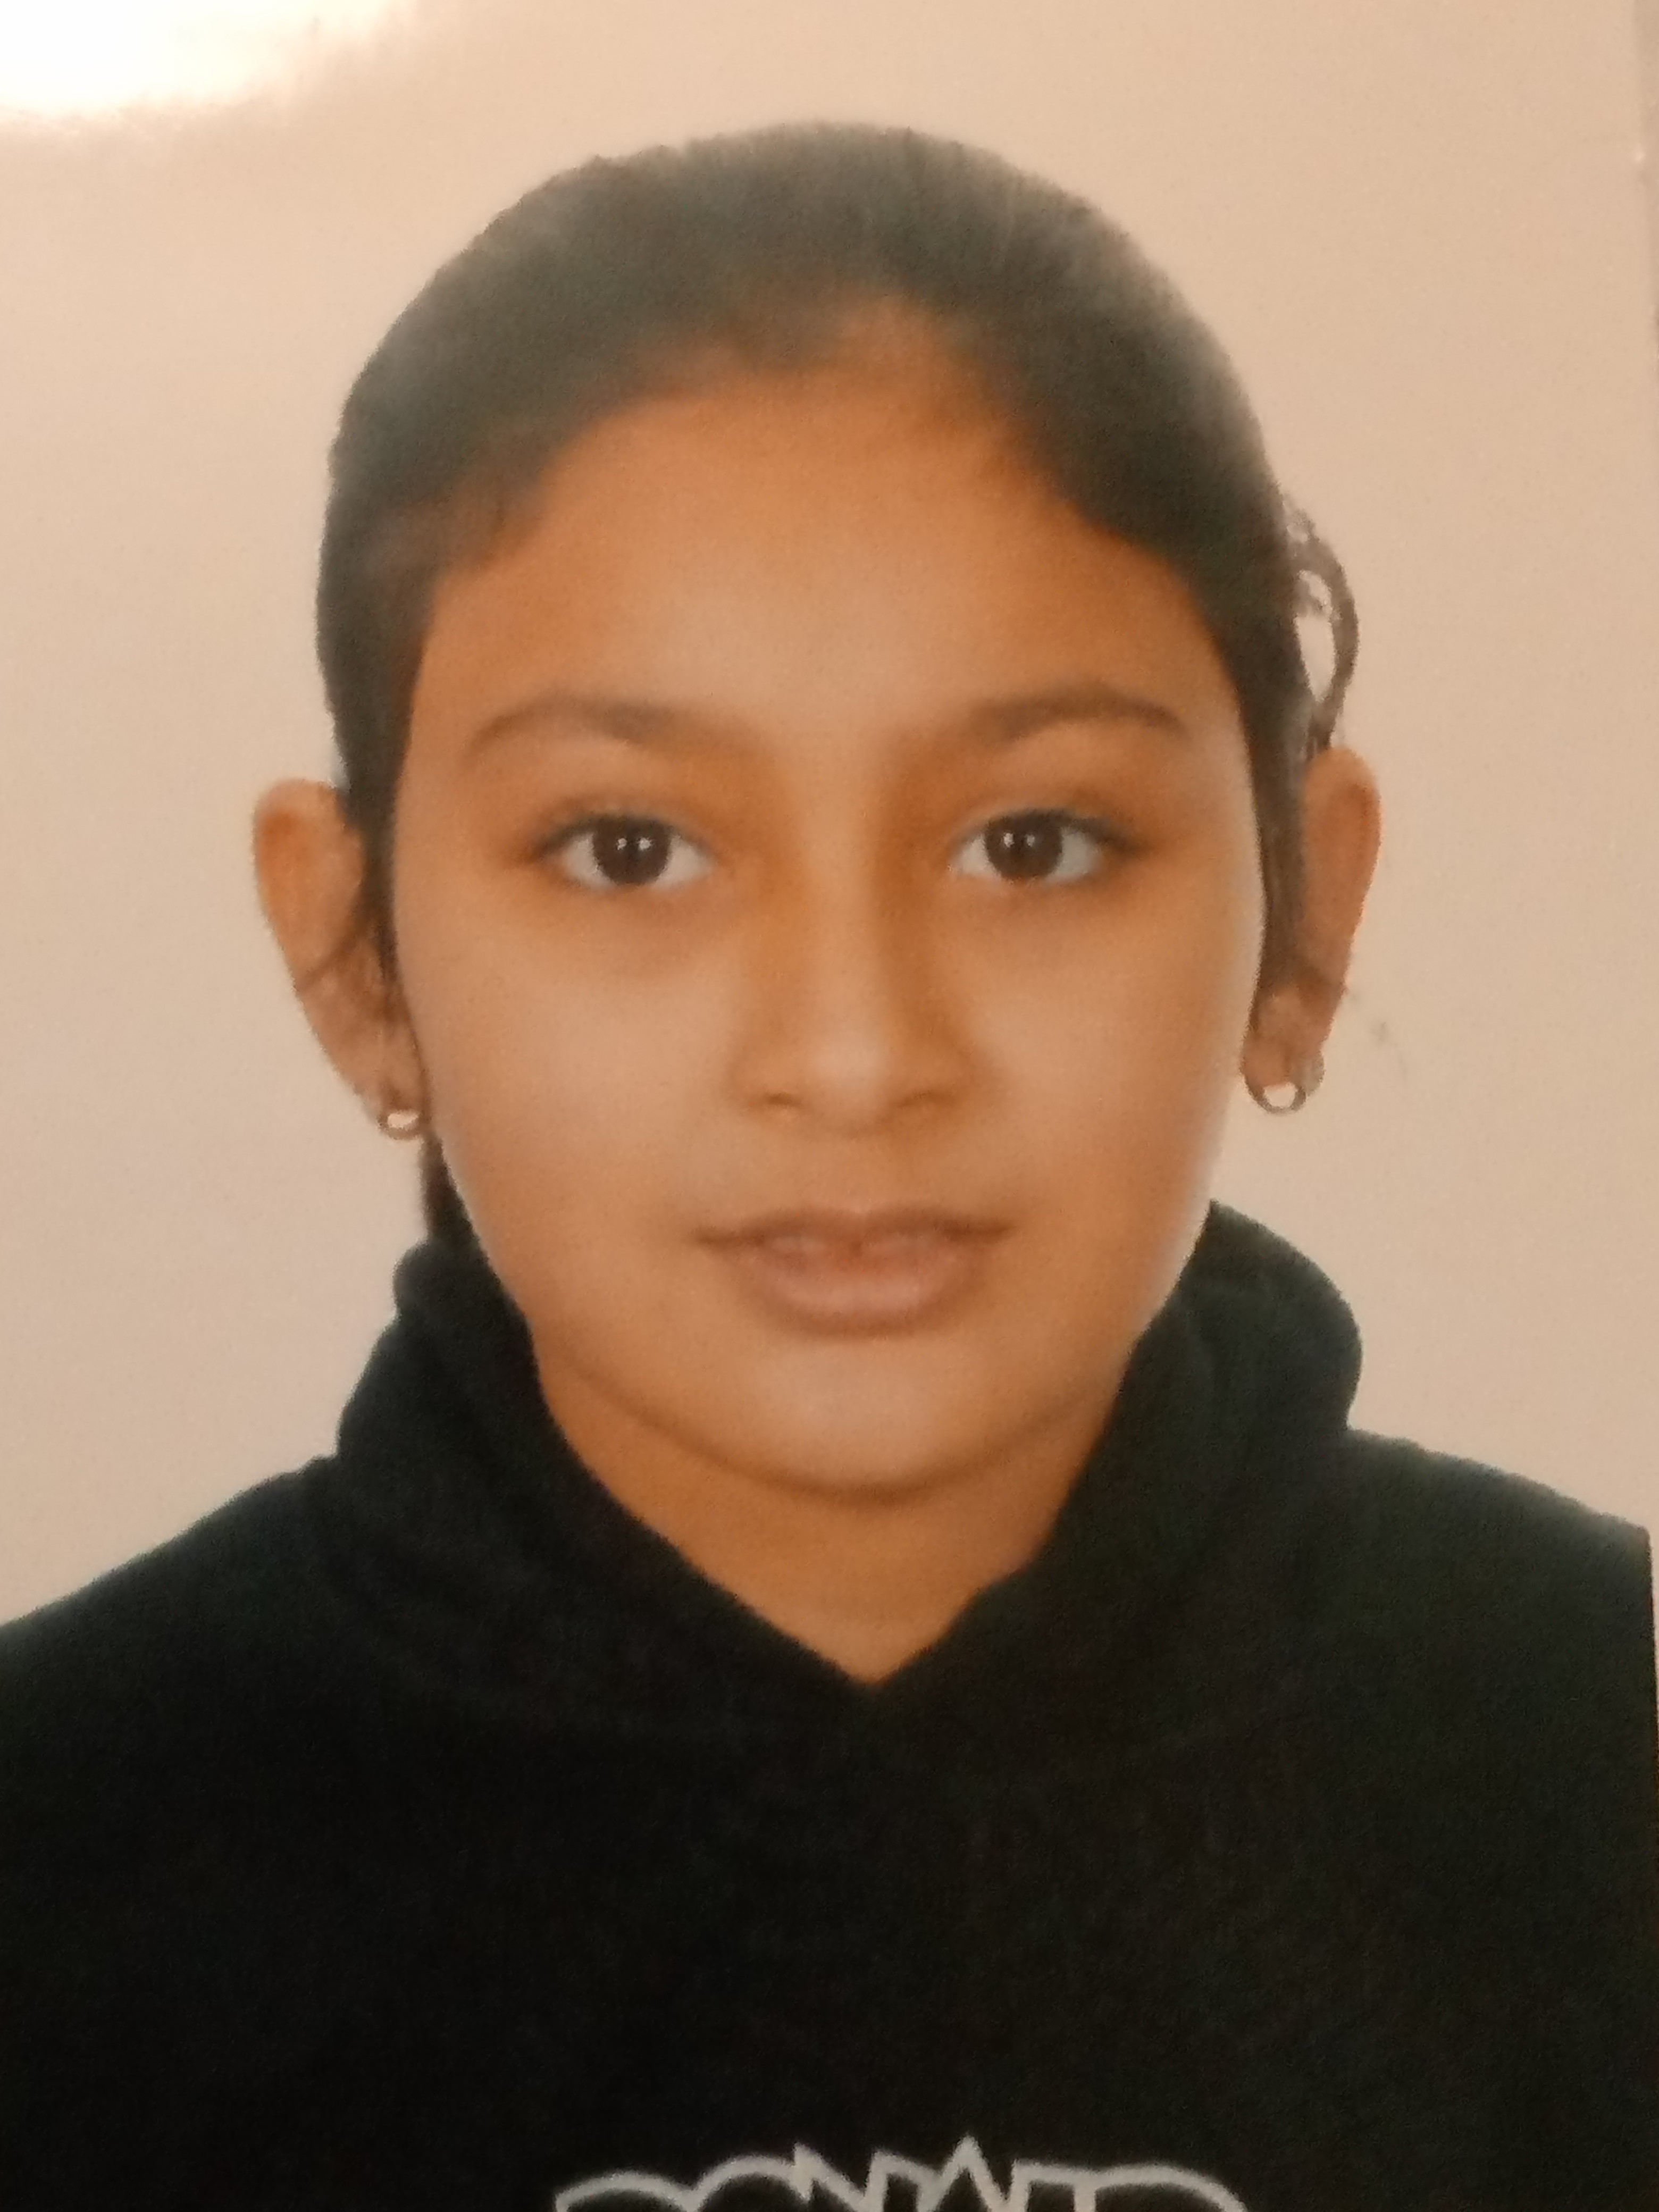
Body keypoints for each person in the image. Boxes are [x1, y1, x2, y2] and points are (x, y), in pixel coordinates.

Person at [1, 122, 1653, 2212]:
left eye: (1032, 842)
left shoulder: (1599, 1749)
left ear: (1302, 917)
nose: (857, 1054)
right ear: (358, 958)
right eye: (631, 849)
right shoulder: (64, 1856)